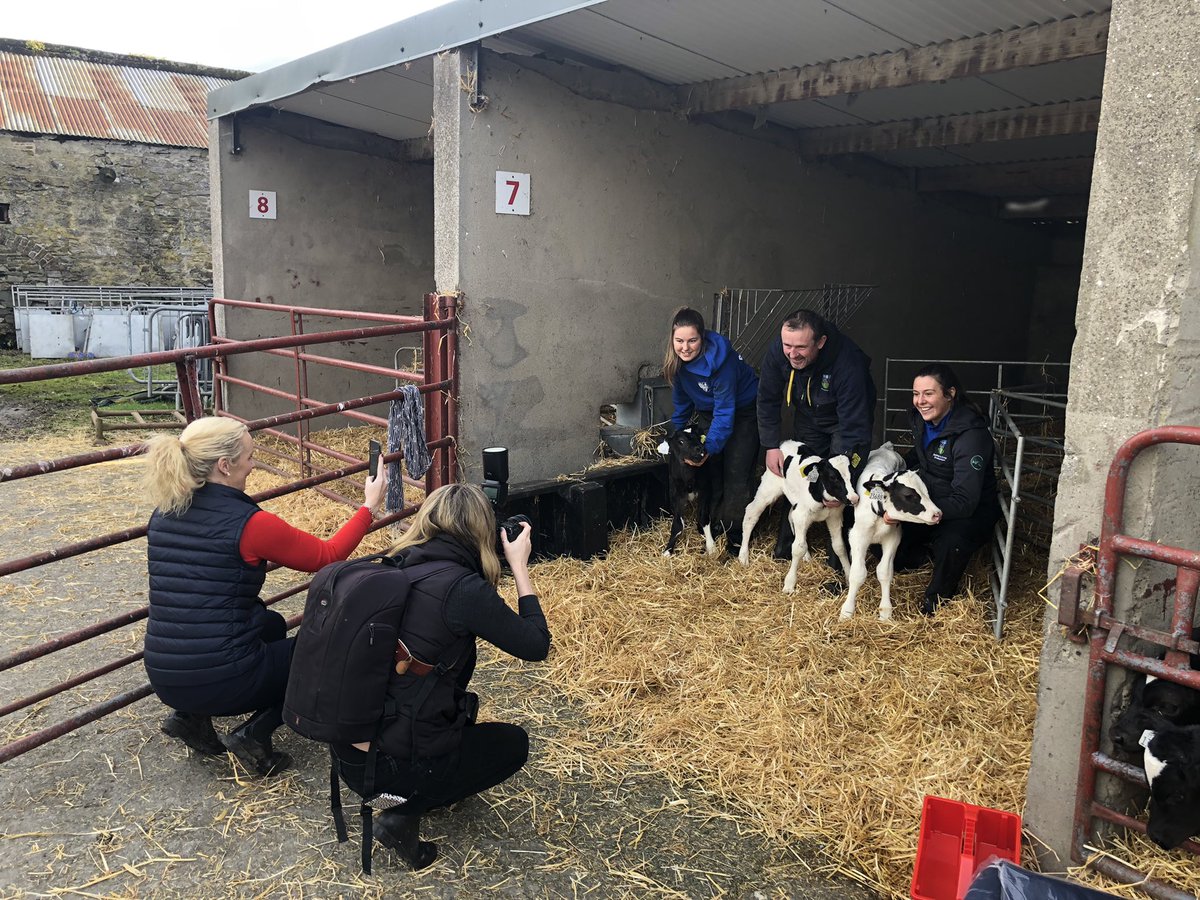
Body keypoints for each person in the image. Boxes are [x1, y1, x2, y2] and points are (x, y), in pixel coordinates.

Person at [143, 416, 387, 775]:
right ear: (224, 466)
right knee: (326, 654)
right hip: (224, 678)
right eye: (249, 457)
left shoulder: (164, 511)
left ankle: (189, 717)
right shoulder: (250, 524)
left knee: (271, 624)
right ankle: (254, 733)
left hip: (164, 674)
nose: (254, 465)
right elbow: (327, 556)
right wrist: (368, 507)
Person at [330, 483, 550, 870]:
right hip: (387, 770)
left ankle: (412, 788)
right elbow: (535, 645)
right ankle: (403, 812)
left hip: (348, 754)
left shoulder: (396, 564)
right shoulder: (463, 590)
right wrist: (518, 565)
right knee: (513, 744)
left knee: (462, 708)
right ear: (482, 531)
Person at [756, 308, 876, 567]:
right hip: (810, 417)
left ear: (820, 342)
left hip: (847, 423)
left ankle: (838, 564)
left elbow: (854, 425)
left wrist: (842, 465)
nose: (791, 353)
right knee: (803, 475)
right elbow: (767, 399)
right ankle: (787, 547)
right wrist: (770, 445)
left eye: (800, 347)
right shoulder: (780, 350)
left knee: (842, 486)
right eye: (787, 344)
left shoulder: (848, 363)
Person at [899, 363, 1001, 615]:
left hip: (966, 511)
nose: (920, 401)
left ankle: (936, 600)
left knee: (952, 542)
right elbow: (920, 457)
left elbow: (965, 500)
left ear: (950, 393)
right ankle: (922, 554)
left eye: (928, 393)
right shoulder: (923, 421)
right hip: (929, 500)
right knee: (892, 546)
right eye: (915, 393)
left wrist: (913, 511)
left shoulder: (971, 436)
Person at [664, 306, 760, 555]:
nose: (685, 347)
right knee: (712, 472)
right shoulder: (678, 365)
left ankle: (736, 536)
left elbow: (726, 412)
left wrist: (710, 446)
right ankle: (713, 527)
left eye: (692, 340)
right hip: (710, 413)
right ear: (672, 340)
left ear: (702, 338)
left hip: (743, 412)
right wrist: (675, 437)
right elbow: (683, 405)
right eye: (679, 341)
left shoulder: (721, 363)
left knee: (736, 473)